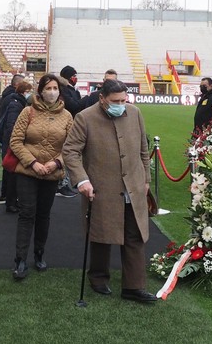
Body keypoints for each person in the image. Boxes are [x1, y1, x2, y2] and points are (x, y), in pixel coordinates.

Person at [63, 79, 157, 303]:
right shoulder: (84, 118)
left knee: (135, 236)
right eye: (115, 101)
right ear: (102, 98)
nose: (121, 104)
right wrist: (82, 180)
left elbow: (144, 151)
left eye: (124, 100)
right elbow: (70, 152)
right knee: (101, 235)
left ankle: (134, 287)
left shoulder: (135, 113)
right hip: (101, 188)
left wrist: (146, 179)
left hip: (134, 186)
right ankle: (98, 278)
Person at [8, 73, 73, 280]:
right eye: (48, 88)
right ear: (41, 91)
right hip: (28, 171)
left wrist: (56, 162)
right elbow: (16, 141)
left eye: (55, 88)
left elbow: (70, 146)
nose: (52, 92)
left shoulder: (67, 116)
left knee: (44, 215)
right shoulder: (27, 112)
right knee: (27, 213)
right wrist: (33, 163)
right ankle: (19, 259)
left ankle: (39, 253)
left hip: (52, 173)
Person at [0, 79, 34, 212]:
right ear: (24, 92)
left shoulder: (15, 102)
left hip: (10, 142)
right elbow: (11, 126)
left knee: (10, 173)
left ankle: (8, 198)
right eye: (30, 91)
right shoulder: (16, 105)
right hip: (12, 144)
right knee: (12, 174)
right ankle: (10, 202)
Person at [55, 65, 84, 197]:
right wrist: (88, 99)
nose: (76, 78)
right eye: (74, 76)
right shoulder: (64, 90)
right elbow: (74, 106)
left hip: (71, 125)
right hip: (64, 126)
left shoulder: (70, 90)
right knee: (64, 154)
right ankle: (61, 184)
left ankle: (65, 182)